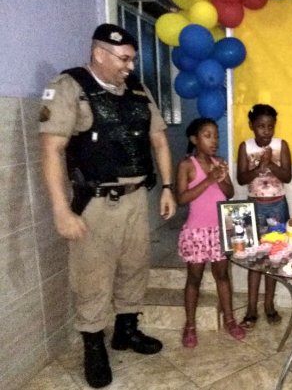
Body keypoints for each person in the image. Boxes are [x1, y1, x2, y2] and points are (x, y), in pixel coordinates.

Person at [39, 23, 177, 388]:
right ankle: (93, 346)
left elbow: (160, 141)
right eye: (124, 58)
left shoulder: (137, 90)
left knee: (135, 267)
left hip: (135, 200)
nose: (130, 66)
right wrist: (60, 211)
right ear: (99, 53)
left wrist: (167, 187)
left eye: (131, 59)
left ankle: (126, 331)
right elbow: (51, 150)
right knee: (92, 277)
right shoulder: (69, 88)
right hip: (94, 204)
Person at [176, 118, 246, 347]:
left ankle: (230, 319)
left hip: (221, 229)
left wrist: (221, 176)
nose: (214, 140)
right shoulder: (187, 165)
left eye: (216, 135)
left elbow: (229, 193)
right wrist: (208, 180)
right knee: (194, 278)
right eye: (207, 135)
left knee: (223, 276)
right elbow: (181, 198)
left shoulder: (220, 162)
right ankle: (190, 325)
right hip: (196, 231)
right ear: (194, 139)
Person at [236, 104, 292, 329]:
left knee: (273, 258)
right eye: (261, 126)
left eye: (270, 126)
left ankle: (269, 305)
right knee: (254, 258)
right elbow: (241, 179)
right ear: (252, 126)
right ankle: (251, 308)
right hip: (253, 207)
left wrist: (271, 165)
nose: (266, 131)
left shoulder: (281, 145)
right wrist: (260, 167)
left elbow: (287, 176)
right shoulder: (245, 147)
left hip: (277, 206)